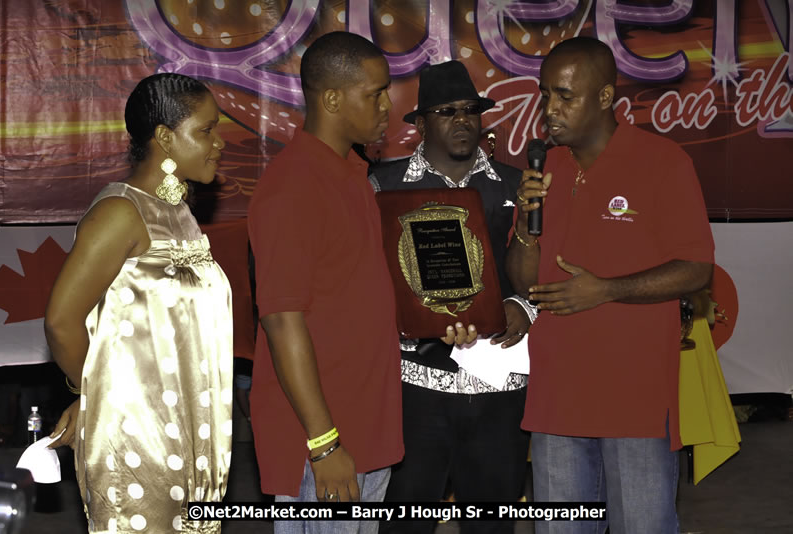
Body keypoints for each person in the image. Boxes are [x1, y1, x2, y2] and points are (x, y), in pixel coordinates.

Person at [247, 32, 475, 534]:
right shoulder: (293, 186)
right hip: (323, 439)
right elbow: (281, 321)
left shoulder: (352, 173)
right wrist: (323, 442)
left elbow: (361, 298)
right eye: (374, 94)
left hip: (366, 423)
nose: (387, 107)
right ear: (331, 99)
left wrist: (439, 318)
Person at [507, 37, 715, 533]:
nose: (550, 110)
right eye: (545, 95)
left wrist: (606, 289)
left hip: (634, 399)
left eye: (565, 96)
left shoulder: (662, 162)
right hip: (557, 398)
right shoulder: (545, 168)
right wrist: (527, 226)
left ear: (605, 96)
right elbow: (523, 280)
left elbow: (696, 269)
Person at [44, 73, 232, 533]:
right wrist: (92, 394)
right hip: (137, 437)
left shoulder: (177, 211)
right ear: (165, 138)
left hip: (189, 431)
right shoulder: (120, 213)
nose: (219, 142)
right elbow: (62, 322)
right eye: (206, 130)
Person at [369, 60, 534, 534]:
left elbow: (541, 268)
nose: (462, 120)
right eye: (446, 112)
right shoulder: (381, 185)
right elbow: (366, 278)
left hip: (497, 381)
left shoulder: (516, 185)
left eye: (470, 110)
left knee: (492, 522)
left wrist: (523, 307)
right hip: (415, 384)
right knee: (404, 522)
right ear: (420, 125)